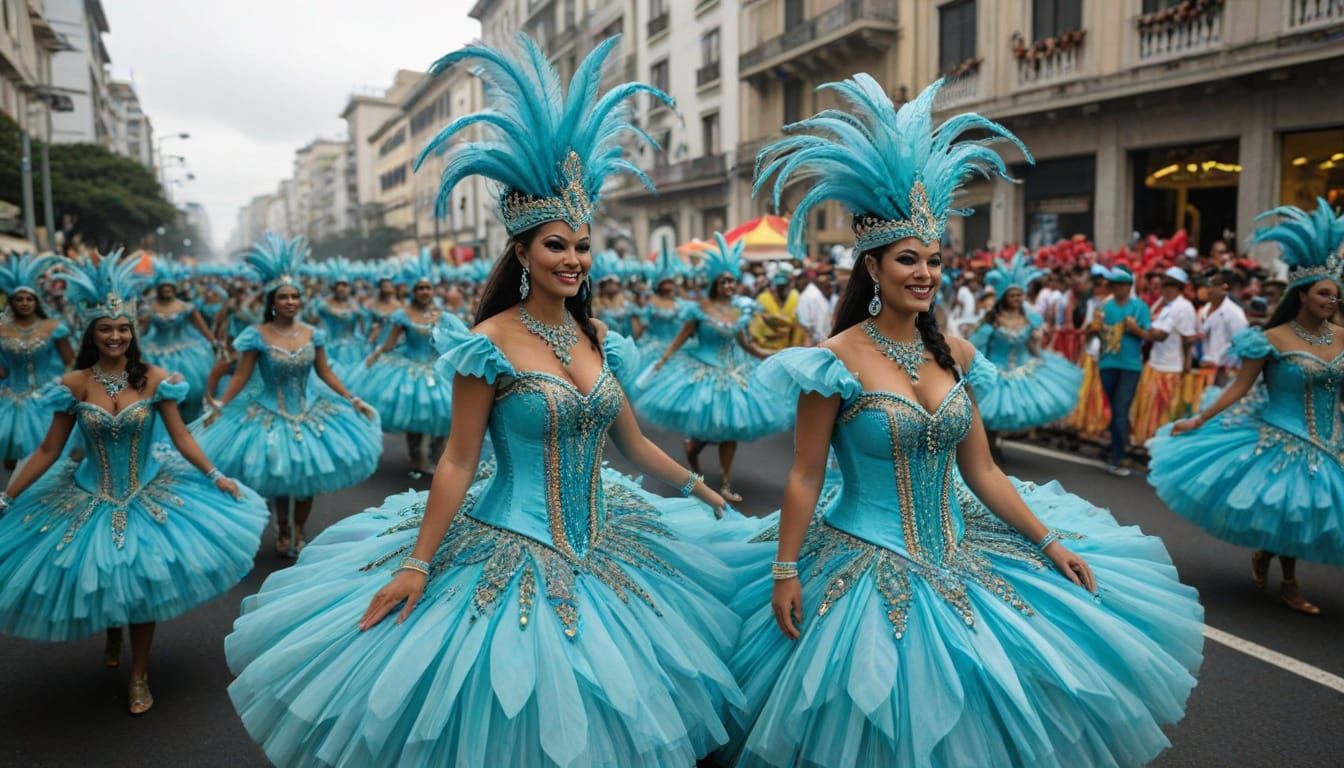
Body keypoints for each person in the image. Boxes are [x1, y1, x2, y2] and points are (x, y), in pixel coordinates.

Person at [224, 35, 750, 767]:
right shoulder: (487, 343)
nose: (572, 260)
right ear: (522, 254)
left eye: (582, 246)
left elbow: (629, 442)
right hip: (510, 541)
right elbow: (458, 460)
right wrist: (418, 561)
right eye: (556, 246)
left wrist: (698, 487)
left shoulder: (596, 334)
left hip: (608, 540)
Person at [731, 74, 1202, 768]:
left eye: (933, 260)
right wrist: (785, 568)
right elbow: (803, 476)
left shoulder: (954, 351)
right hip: (863, 559)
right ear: (874, 265)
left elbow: (980, 467)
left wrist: (1047, 543)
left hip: (960, 547)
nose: (924, 274)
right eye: (908, 260)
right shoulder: (831, 362)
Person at [0, 251, 267, 714]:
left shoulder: (156, 380)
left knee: (140, 586)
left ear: (133, 332)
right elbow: (47, 451)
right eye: (106, 328)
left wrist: (215, 475)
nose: (116, 336)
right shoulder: (74, 384)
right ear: (91, 333)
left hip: (149, 494)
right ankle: (110, 633)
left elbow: (181, 436)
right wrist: (8, 494)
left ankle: (139, 674)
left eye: (123, 328)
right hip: (86, 494)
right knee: (103, 577)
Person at [1148, 199, 1344, 614]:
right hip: (1282, 433)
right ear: (1303, 295)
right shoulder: (1269, 339)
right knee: (1292, 507)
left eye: (1336, 295)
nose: (1332, 300)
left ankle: (1268, 554)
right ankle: (1289, 583)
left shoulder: (1342, 338)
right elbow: (1239, 387)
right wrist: (1199, 419)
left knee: (1314, 510)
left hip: (1333, 438)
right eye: (1324, 293)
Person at [194, 234, 382, 557]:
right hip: (269, 412)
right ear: (273, 302)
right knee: (281, 474)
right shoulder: (256, 335)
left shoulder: (313, 333)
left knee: (308, 477)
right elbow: (240, 375)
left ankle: (298, 529)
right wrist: (221, 404)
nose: (291, 302)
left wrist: (353, 399)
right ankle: (282, 526)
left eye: (295, 296)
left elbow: (326, 373)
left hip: (310, 412)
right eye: (284, 297)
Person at [635, 234, 792, 503]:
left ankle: (726, 483)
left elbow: (748, 346)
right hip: (702, 369)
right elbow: (682, 337)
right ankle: (693, 448)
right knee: (711, 425)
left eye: (733, 280)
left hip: (735, 373)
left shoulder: (740, 312)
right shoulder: (699, 310)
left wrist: (777, 354)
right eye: (725, 281)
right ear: (715, 284)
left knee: (730, 430)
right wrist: (663, 361)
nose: (730, 286)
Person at [351, 250, 461, 478]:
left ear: (433, 290)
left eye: (427, 288)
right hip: (411, 368)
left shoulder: (442, 315)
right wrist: (376, 355)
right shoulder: (403, 314)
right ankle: (417, 458)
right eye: (420, 288)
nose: (424, 292)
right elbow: (390, 342)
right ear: (413, 291)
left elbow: (453, 342)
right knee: (416, 417)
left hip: (438, 370)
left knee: (444, 416)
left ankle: (437, 455)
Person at [969, 249, 1083, 432]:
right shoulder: (993, 318)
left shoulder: (1030, 318)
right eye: (1012, 296)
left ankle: (995, 446)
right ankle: (988, 448)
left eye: (1019, 295)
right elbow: (978, 344)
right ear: (1004, 297)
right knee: (987, 412)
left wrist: (1039, 356)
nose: (1016, 299)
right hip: (994, 370)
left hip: (1021, 368)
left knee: (1009, 411)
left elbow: (1030, 344)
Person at [0, 253, 74, 467]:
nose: (24, 303)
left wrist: (67, 388)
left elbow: (69, 361)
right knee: (12, 459)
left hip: (47, 397)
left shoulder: (53, 327)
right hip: (11, 399)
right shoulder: (2, 330)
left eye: (29, 299)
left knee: (49, 457)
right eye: (19, 299)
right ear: (12, 302)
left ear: (36, 301)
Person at [139, 259, 218, 422]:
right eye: (163, 288)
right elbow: (142, 329)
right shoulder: (149, 307)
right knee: (155, 390)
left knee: (194, 389)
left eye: (170, 288)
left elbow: (202, 328)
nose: (167, 291)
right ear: (158, 289)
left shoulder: (186, 307)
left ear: (175, 289)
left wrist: (214, 341)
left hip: (187, 354)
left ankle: (188, 421)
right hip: (155, 352)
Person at [1090, 265, 1151, 475]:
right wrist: (1096, 329)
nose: (1116, 289)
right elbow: (1096, 334)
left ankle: (1118, 457)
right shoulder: (1105, 307)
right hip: (1107, 364)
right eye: (1113, 285)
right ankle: (1115, 448)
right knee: (1115, 410)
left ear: (1128, 286)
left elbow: (1149, 336)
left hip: (1130, 366)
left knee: (1121, 410)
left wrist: (1135, 330)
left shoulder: (1139, 308)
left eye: (1119, 285)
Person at [1129, 266, 1200, 444]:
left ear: (1179, 287)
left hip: (1170, 370)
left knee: (1163, 413)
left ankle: (1159, 446)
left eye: (1171, 285)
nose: (1165, 289)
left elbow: (1164, 336)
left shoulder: (1183, 307)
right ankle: (1148, 444)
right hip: (1156, 366)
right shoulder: (1167, 306)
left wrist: (1135, 329)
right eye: (1164, 284)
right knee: (1148, 411)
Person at [308, 258, 368, 379]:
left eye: (345, 285)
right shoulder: (323, 304)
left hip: (353, 349)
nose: (342, 288)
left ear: (349, 287)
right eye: (338, 285)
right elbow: (310, 324)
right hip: (330, 348)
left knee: (354, 379)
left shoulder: (355, 305)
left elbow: (363, 329)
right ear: (333, 287)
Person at [1197, 270, 1249, 385]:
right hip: (1203, 370)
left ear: (1223, 288)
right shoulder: (1204, 310)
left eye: (1211, 286)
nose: (1207, 290)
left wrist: (1219, 361)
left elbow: (1240, 343)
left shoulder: (1235, 313)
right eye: (1206, 286)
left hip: (1224, 372)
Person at [751, 263, 805, 351]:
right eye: (779, 286)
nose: (782, 289)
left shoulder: (795, 296)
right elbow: (757, 332)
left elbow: (799, 327)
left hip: (791, 352)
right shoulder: (762, 299)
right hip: (768, 351)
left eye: (784, 285)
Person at [796, 268, 836, 345]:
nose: (799, 282)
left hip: (819, 343)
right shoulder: (811, 294)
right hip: (817, 343)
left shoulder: (812, 295)